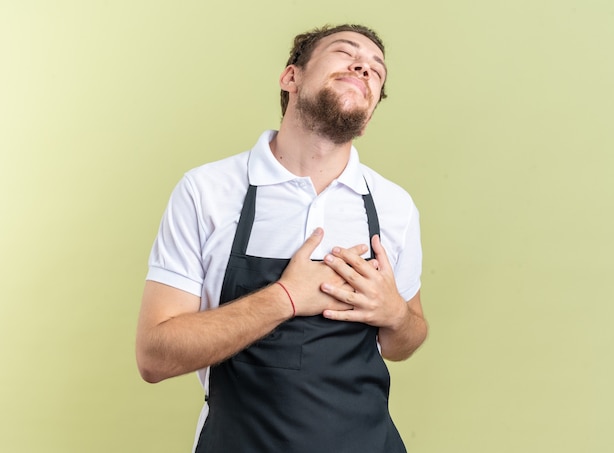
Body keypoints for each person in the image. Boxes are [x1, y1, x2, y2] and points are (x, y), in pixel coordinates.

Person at [136, 23, 428, 453]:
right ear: (291, 77)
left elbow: (406, 341)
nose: (364, 68)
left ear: (366, 118)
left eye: (376, 71)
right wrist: (284, 298)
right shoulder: (208, 191)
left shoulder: (393, 206)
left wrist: (396, 315)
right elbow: (154, 356)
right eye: (346, 54)